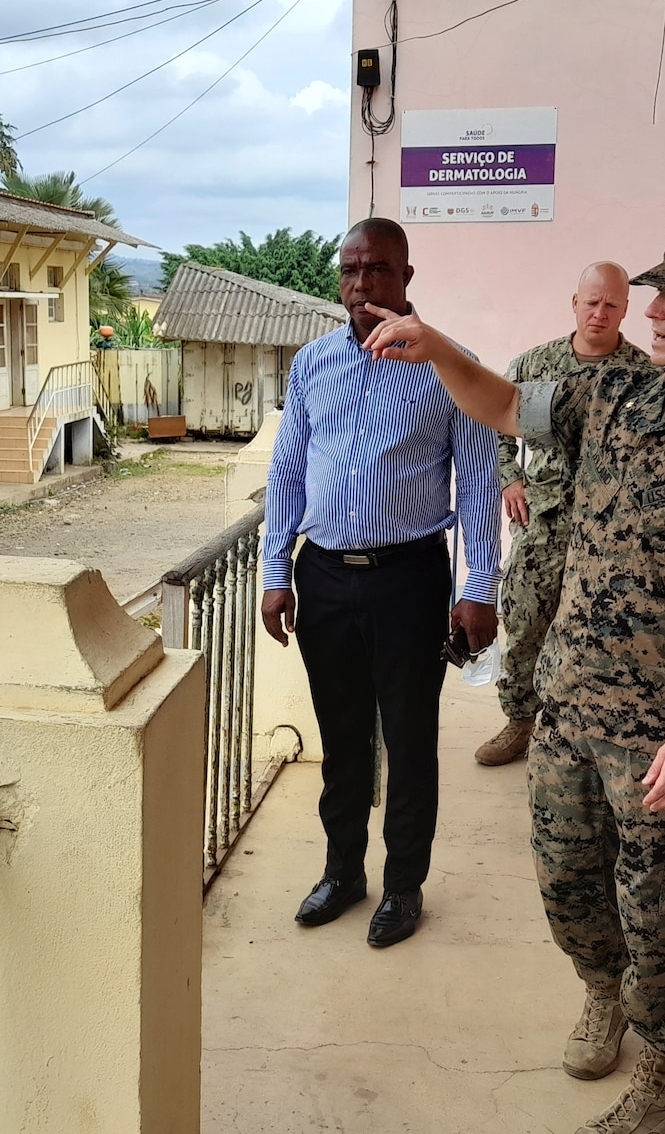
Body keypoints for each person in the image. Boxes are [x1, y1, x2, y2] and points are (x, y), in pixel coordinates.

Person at [363, 216, 665, 1134]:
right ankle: (602, 994)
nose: (653, 311)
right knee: (570, 889)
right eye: (654, 292)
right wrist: (440, 348)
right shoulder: (614, 393)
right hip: (571, 707)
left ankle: (664, 1082)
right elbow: (503, 407)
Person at [260, 218, 501, 948]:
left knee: (408, 738)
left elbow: (480, 483)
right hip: (324, 577)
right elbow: (288, 473)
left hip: (410, 581)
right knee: (341, 740)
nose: (361, 285)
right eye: (349, 270)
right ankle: (343, 872)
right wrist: (278, 572)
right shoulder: (311, 365)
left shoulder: (450, 366)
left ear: (406, 277)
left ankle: (403, 886)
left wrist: (478, 586)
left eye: (378, 270)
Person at [475, 260, 651, 766]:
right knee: (526, 622)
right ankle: (520, 722)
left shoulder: (644, 376)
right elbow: (495, 425)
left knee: (605, 633)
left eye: (611, 304)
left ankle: (588, 733)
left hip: (610, 533)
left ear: (625, 309)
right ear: (575, 304)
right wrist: (509, 477)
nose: (600, 313)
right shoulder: (535, 366)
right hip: (542, 523)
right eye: (591, 302)